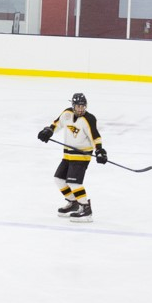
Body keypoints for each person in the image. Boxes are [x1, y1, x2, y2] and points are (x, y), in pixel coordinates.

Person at [36, 92, 105, 222]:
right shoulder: (67, 114)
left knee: (74, 182)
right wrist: (48, 131)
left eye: (83, 106)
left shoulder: (89, 119)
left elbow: (95, 136)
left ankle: (85, 208)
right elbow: (56, 124)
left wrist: (100, 150)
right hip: (68, 154)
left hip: (81, 155)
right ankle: (73, 202)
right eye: (78, 106)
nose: (80, 109)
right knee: (59, 179)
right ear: (73, 105)